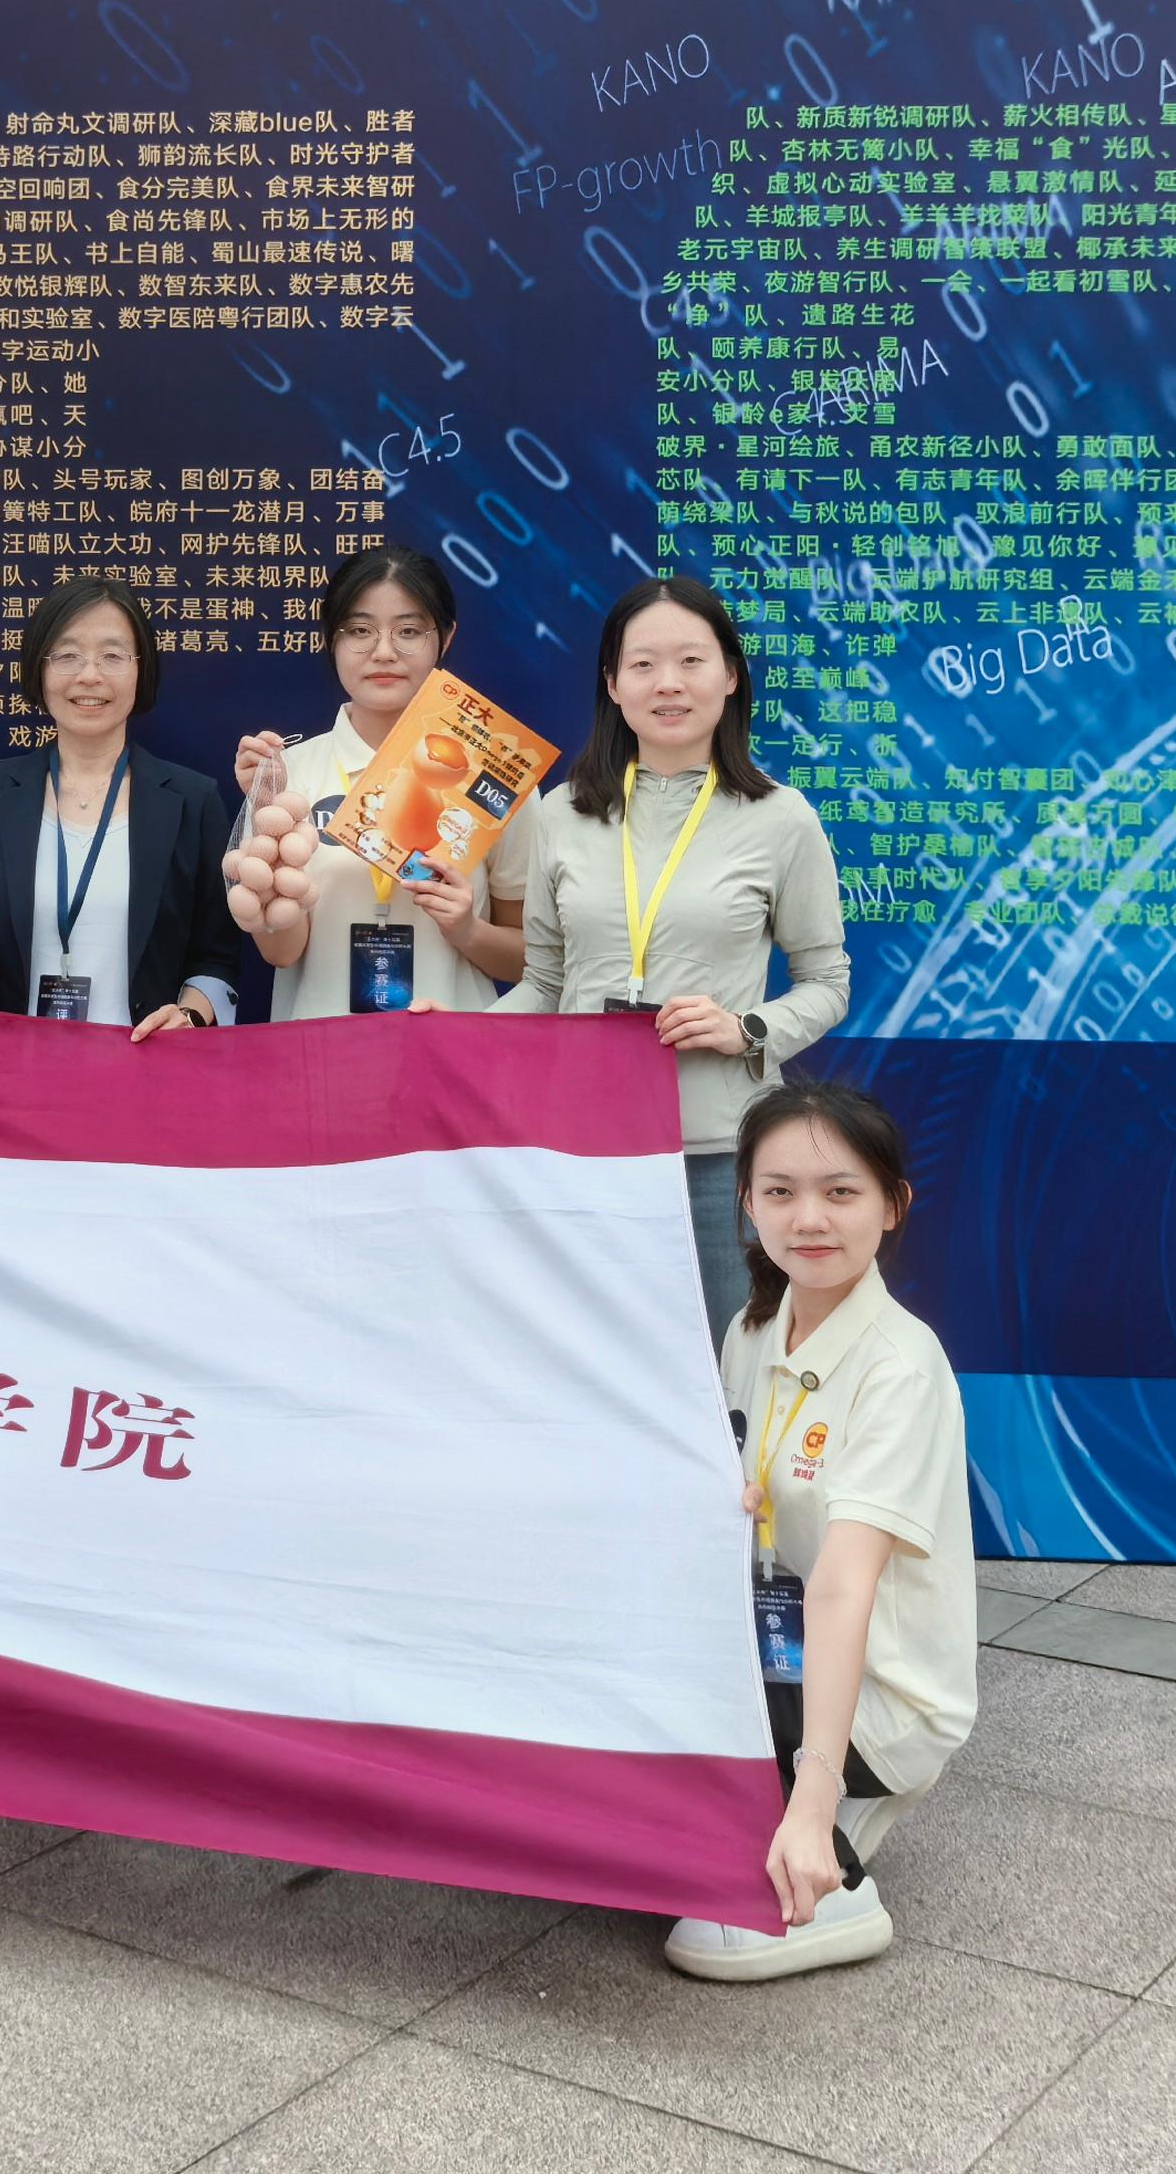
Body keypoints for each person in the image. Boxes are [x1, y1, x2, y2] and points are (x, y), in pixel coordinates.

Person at [667, 1078, 974, 1982]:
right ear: (746, 1202)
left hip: (879, 1690)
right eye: (780, 1191)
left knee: (711, 1927)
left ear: (892, 1205)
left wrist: (812, 1796)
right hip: (775, 1648)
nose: (809, 1218)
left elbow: (843, 1584)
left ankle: (831, 1867)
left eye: (841, 1192)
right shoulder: (753, 1327)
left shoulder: (900, 1369)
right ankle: (764, 1823)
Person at [500, 575, 850, 1340]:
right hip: (583, 1150)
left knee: (728, 1369)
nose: (668, 683)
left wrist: (747, 1029)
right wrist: (449, 1032)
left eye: (692, 661)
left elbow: (826, 983)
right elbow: (544, 982)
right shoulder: (560, 815)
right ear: (612, 684)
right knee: (593, 1363)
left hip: (722, 1157)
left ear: (730, 677)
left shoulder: (782, 818)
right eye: (643, 664)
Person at [226, 544, 530, 1019]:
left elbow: (530, 960)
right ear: (331, 638)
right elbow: (280, 953)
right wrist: (269, 821)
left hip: (450, 1048)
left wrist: (467, 929)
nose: (384, 652)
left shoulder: (492, 774)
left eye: (408, 631)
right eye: (360, 631)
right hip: (321, 1048)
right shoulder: (289, 773)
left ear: (445, 637)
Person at [0, 574, 232, 1035]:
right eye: (67, 655)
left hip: (147, 1060)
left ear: (141, 669)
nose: (90, 675)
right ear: (40, 669)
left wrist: (188, 1016)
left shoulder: (193, 800)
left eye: (112, 656)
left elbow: (218, 956)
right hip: (15, 1060)